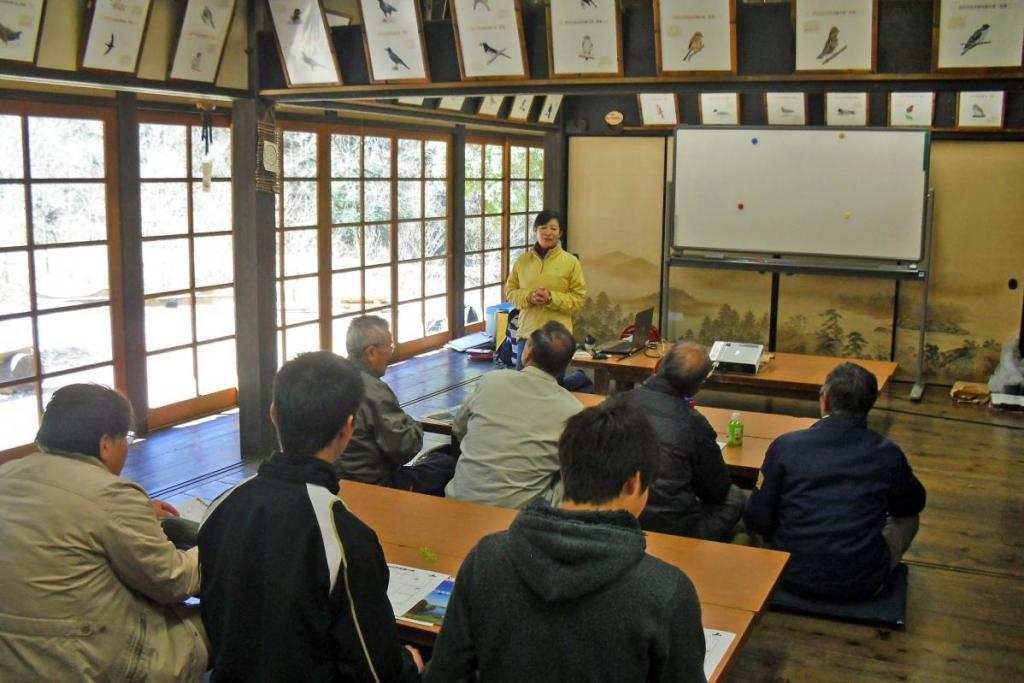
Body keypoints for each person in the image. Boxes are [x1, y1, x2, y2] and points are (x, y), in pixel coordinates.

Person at [425, 398, 707, 683]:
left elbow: (444, 675)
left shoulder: (485, 558)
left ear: (563, 473)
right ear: (634, 483)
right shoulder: (666, 591)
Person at [198, 351, 422, 682]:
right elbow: (375, 668)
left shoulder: (220, 507)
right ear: (348, 429)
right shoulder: (344, 535)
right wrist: (408, 666)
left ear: (274, 415)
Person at [0, 384, 207, 681]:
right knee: (228, 613)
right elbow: (174, 580)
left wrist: (136, 511)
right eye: (128, 438)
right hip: (85, 664)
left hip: (15, 661)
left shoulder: (7, 474)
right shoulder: (111, 495)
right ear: (106, 444)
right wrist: (221, 544)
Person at [744, 362, 927, 599]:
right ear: (869, 405)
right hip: (862, 582)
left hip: (787, 575)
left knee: (755, 503)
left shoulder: (786, 446)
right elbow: (912, 504)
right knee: (908, 520)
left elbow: (758, 519)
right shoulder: (887, 453)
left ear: (825, 400)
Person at [445, 321, 583, 508]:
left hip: (460, 501)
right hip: (520, 516)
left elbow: (459, 428)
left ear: (528, 354)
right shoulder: (573, 410)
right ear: (566, 366)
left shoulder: (491, 381)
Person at [628, 342, 746, 541]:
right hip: (675, 529)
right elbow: (716, 492)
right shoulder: (694, 424)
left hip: (616, 517)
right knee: (735, 496)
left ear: (658, 366)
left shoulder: (611, 405)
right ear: (696, 389)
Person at [336, 315, 454, 494]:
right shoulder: (373, 391)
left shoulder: (331, 380)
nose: (391, 353)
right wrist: (414, 425)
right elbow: (405, 447)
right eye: (390, 347)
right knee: (447, 463)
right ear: (371, 353)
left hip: (334, 481)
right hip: (376, 486)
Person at [504, 210, 586, 369]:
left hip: (557, 338)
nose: (548, 233)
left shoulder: (571, 262)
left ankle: (577, 380)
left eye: (553, 229)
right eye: (543, 227)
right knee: (523, 384)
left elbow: (578, 299)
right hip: (527, 335)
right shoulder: (522, 261)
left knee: (553, 386)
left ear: (560, 233)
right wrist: (529, 296)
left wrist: (551, 298)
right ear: (535, 230)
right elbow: (510, 292)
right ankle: (579, 379)